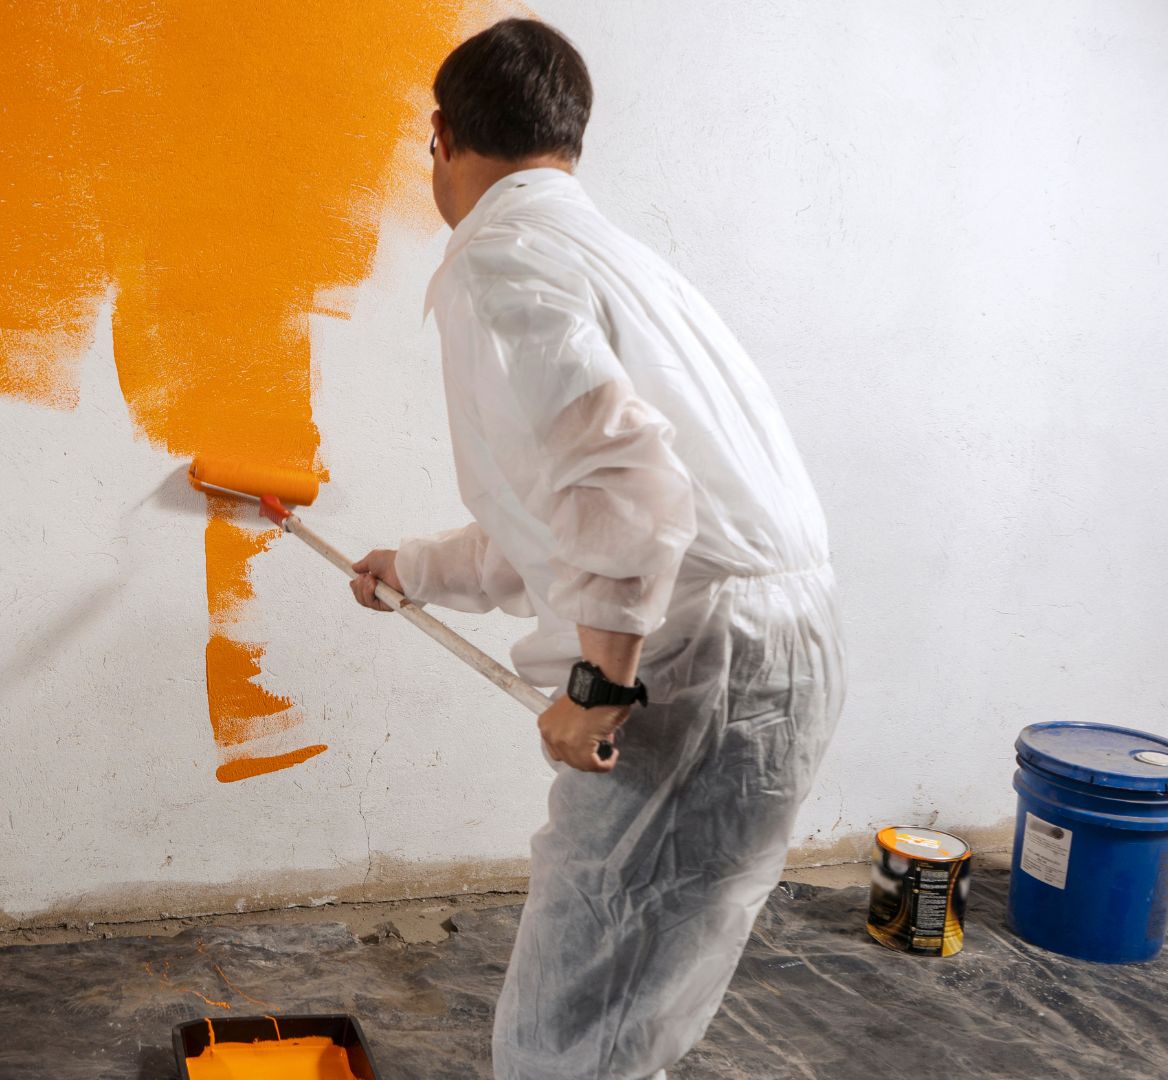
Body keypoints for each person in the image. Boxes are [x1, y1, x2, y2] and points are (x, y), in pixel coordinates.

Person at [347, 19, 844, 1080]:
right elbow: (576, 516)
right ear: (567, 138)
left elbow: (628, 491)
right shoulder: (617, 262)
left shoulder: (499, 261)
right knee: (638, 1003)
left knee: (568, 1032)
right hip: (776, 640)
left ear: (441, 137)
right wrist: (415, 569)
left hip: (693, 657)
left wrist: (600, 687)